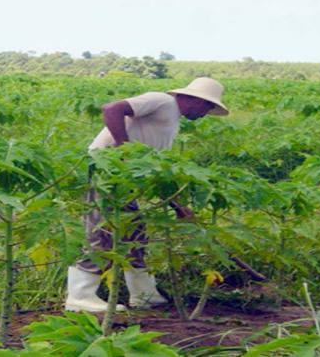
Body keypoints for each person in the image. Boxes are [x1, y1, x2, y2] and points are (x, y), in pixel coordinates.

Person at [65, 77, 229, 312]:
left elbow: (154, 169)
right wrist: (124, 148)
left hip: (125, 176)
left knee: (135, 235)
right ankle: (79, 297)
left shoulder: (172, 120)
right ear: (194, 100)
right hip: (107, 170)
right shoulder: (162, 101)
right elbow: (112, 109)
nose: (206, 113)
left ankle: (144, 294)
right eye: (207, 107)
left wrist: (177, 205)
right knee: (102, 231)